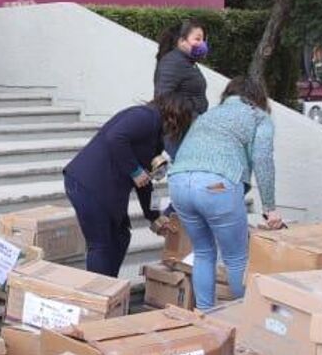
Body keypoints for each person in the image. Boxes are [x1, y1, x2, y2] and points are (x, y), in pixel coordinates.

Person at [166, 77, 282, 309]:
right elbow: (262, 160)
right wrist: (270, 208)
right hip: (216, 186)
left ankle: (206, 315)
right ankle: (246, 321)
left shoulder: (207, 116)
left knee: (203, 253)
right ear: (258, 98)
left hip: (178, 182)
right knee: (236, 259)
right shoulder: (259, 117)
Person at [63, 92, 201, 278]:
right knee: (101, 244)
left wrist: (154, 217)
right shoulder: (145, 116)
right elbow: (115, 137)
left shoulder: (155, 136)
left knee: (121, 238)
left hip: (106, 189)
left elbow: (145, 181)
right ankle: (99, 295)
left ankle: (110, 287)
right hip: (87, 183)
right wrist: (134, 170)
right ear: (175, 116)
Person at [153, 20, 212, 117]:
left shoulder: (189, 62)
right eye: (197, 39)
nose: (202, 44)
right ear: (181, 41)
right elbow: (162, 98)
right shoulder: (172, 62)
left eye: (203, 40)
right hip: (179, 126)